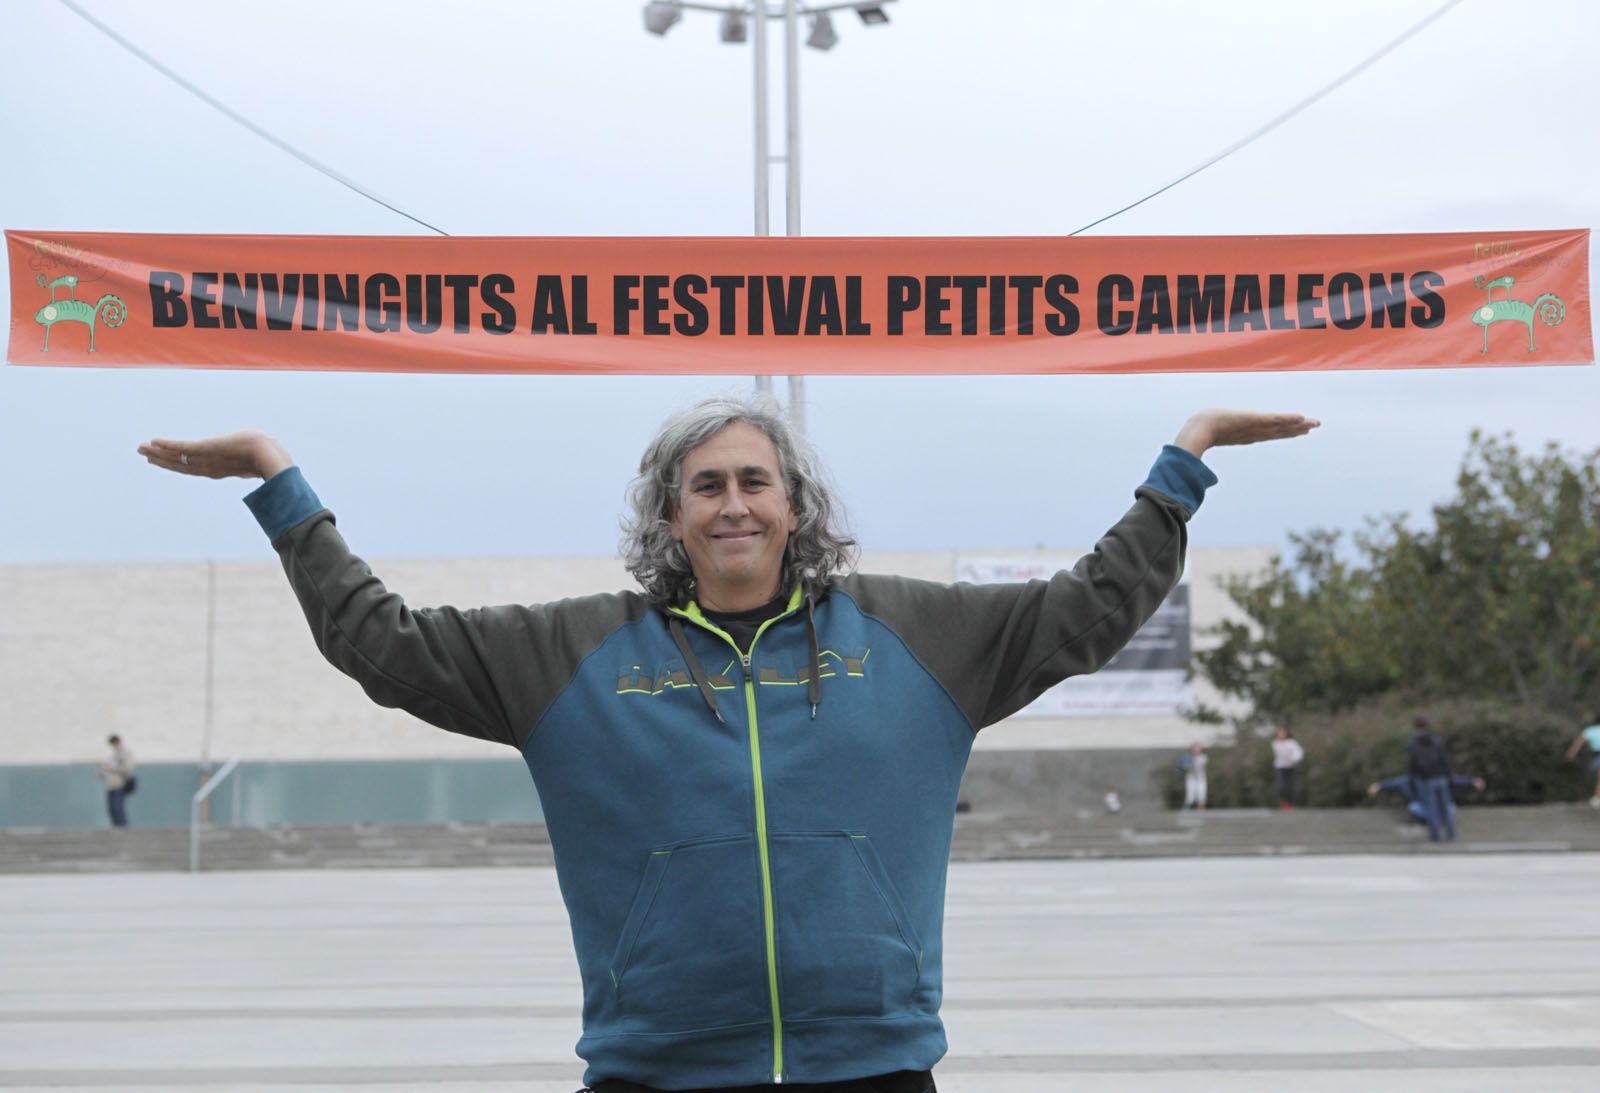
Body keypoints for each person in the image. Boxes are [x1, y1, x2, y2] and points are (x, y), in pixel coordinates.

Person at [138, 400, 1316, 1093]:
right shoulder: (571, 654)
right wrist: (277, 483)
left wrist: (1186, 460)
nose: (733, 502)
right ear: (670, 516)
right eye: (705, 486)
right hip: (655, 1068)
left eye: (756, 480)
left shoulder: (920, 635)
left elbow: (1090, 607)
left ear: (795, 505)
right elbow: (381, 644)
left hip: (875, 1065)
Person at [1366, 772, 1485, 826]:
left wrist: (1472, 781)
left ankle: (1439, 820)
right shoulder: (1410, 781)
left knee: (1450, 808)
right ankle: (1427, 821)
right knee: (1414, 808)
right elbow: (1395, 783)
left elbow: (1456, 781)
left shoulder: (1438, 779)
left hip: (1439, 808)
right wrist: (1379, 786)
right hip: (1423, 808)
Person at [1406, 715, 1455, 843]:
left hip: (1426, 779)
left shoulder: (1414, 743)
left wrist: (1412, 781)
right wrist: (1449, 777)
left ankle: (1435, 837)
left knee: (1431, 809)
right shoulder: (1436, 740)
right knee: (1445, 807)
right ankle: (1451, 835)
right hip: (1441, 777)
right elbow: (1444, 760)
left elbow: (1412, 764)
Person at [96, 734, 136, 828]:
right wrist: (102, 772)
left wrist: (111, 768)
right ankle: (117, 829)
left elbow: (127, 769)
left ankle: (123, 829)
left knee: (118, 809)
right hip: (110, 786)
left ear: (118, 741)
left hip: (119, 785)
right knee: (112, 810)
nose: (113, 745)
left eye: (114, 743)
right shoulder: (113, 755)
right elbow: (107, 768)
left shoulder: (125, 753)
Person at [1565, 717, 1600, 808]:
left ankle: (1596, 798)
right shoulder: (1590, 730)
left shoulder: (1589, 731)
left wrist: (1571, 753)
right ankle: (1596, 798)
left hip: (1596, 755)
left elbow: (1578, 742)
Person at [1271, 724, 1303, 810]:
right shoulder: (1275, 743)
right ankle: (1283, 802)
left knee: (1290, 786)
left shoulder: (1292, 743)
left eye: (1283, 732)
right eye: (1279, 732)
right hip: (1281, 768)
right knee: (1282, 786)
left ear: (1286, 733)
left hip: (1290, 767)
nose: (1281, 733)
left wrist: (1294, 758)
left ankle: (1290, 804)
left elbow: (1298, 753)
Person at [1180, 743, 1208, 810]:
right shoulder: (1187, 757)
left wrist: (1192, 761)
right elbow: (1185, 767)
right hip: (1191, 778)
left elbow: (1199, 765)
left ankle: (1201, 809)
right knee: (1190, 795)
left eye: (1198, 748)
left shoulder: (1203, 757)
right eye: (1195, 748)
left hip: (1200, 777)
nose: (1196, 750)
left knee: (1201, 794)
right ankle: (1187, 809)